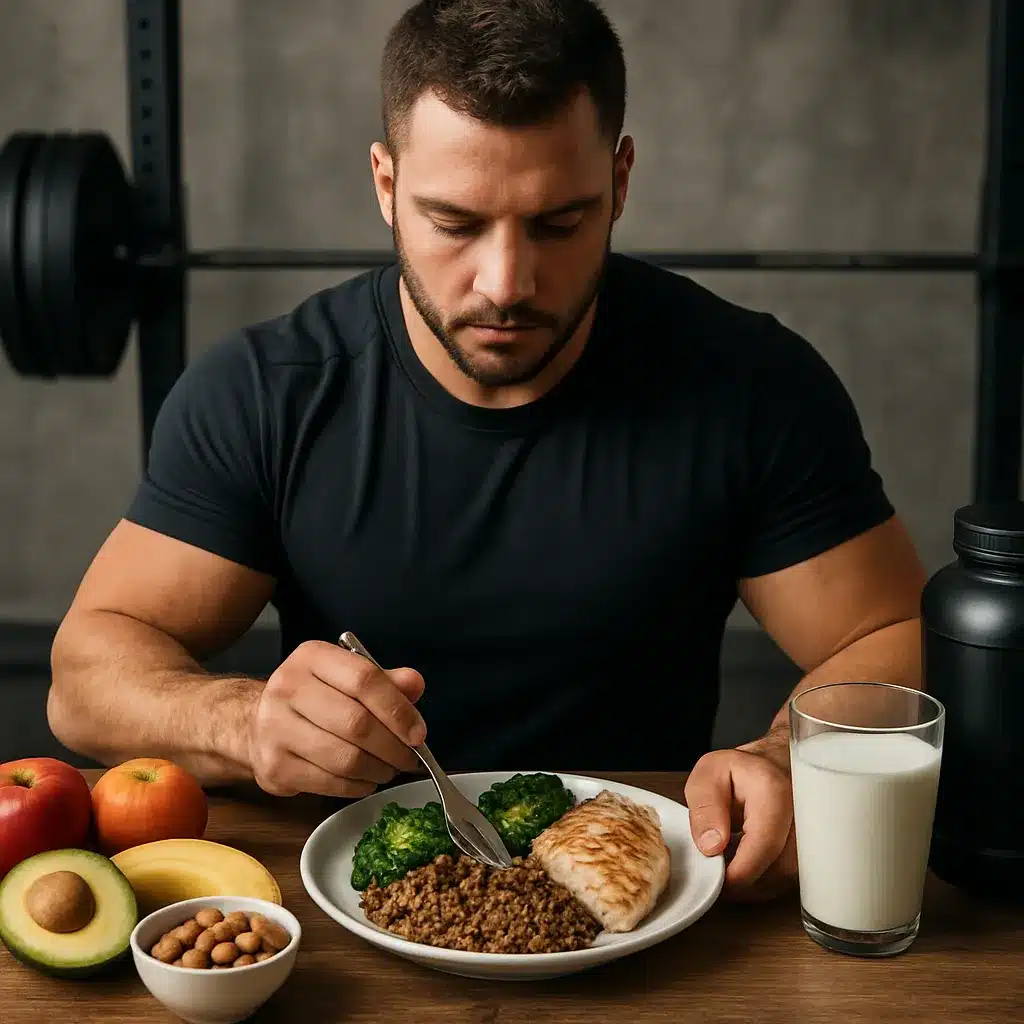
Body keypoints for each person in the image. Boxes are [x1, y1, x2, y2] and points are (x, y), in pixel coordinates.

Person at [47, 0, 926, 903]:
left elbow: (893, 635)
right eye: (455, 223)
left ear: (621, 181)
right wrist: (243, 721)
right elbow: (85, 676)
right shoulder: (267, 392)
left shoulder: (751, 385)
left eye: (559, 224)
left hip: (650, 904)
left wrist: (786, 753)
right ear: (385, 185)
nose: (507, 283)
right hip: (353, 904)